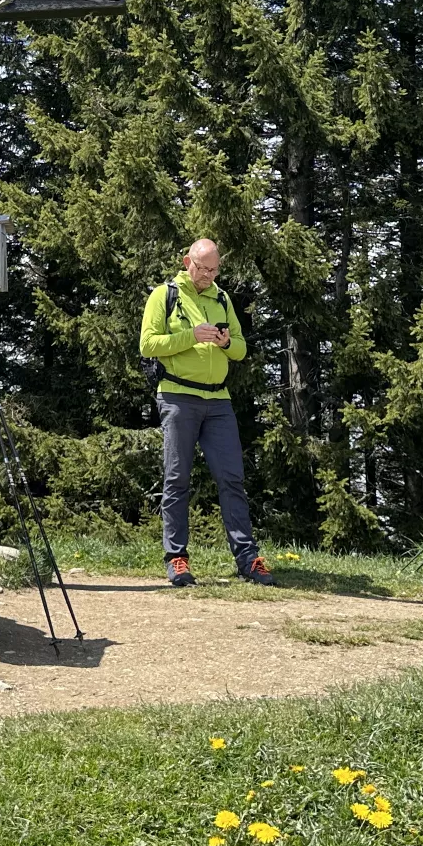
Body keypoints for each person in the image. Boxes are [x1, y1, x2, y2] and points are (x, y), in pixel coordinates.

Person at [139, 238, 273, 587]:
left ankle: (248, 559)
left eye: (213, 270)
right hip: (177, 397)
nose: (207, 276)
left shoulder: (222, 298)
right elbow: (148, 344)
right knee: (177, 478)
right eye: (202, 268)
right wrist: (192, 336)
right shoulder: (163, 295)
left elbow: (241, 349)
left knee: (232, 479)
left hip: (219, 401)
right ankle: (177, 559)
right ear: (187, 262)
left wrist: (226, 343)